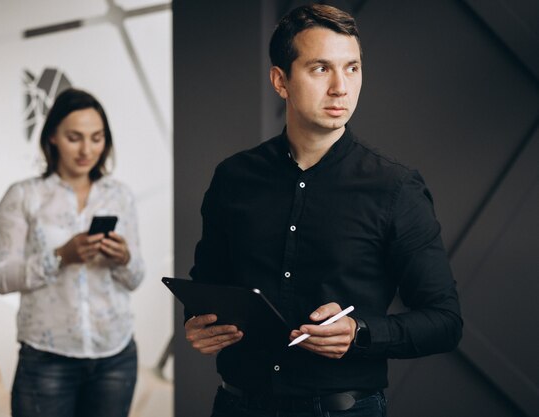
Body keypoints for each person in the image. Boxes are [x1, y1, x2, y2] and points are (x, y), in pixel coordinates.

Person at [184, 4, 462, 417]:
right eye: (320, 69)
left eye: (352, 68)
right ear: (281, 80)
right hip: (237, 405)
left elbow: (444, 322)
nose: (340, 87)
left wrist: (361, 333)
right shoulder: (233, 177)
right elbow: (207, 284)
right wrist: (199, 324)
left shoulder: (396, 188)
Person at [0, 88, 145, 417]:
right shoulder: (23, 196)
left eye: (97, 137)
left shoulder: (119, 195)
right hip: (47, 358)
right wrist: (61, 255)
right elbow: (2, 278)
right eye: (75, 137)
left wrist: (123, 258)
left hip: (115, 357)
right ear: (52, 139)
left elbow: (135, 278)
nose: (87, 149)